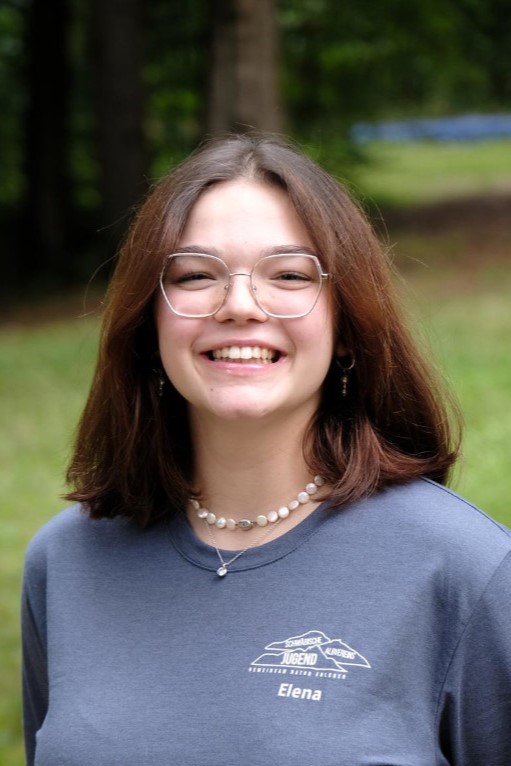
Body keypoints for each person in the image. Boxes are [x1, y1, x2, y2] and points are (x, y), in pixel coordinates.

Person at [22, 134, 511, 766]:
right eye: (196, 275)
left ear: (346, 325)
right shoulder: (64, 564)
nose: (239, 305)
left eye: (289, 275)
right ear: (148, 322)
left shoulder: (466, 568)